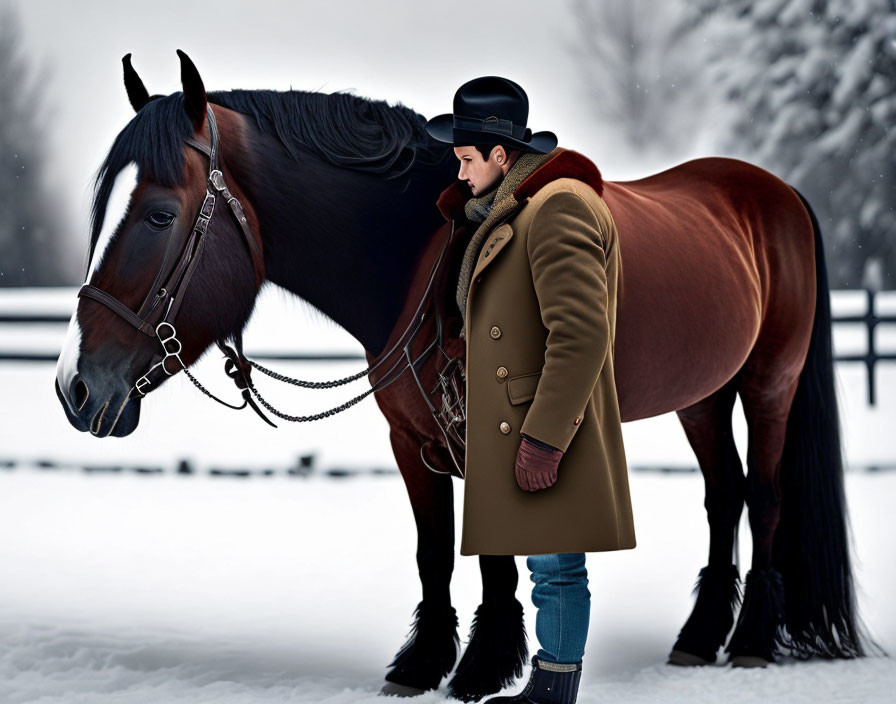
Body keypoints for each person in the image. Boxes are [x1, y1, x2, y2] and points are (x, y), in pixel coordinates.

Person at [426, 76, 635, 704]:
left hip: (545, 421)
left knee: (557, 567)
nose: (460, 175)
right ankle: (552, 683)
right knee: (548, 564)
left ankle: (555, 688)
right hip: (522, 415)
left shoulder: (557, 207)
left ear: (500, 155)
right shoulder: (521, 206)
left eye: (466, 159)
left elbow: (580, 333)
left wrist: (544, 439)